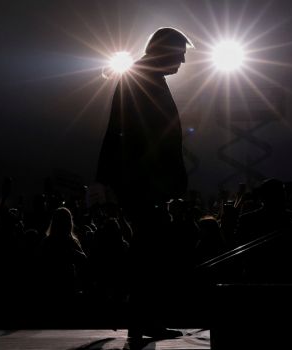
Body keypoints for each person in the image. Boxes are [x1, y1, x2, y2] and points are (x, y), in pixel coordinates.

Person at [96, 27, 193, 343]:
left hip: (142, 180)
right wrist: (154, 180)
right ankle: (140, 320)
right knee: (149, 251)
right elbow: (139, 135)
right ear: (165, 50)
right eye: (179, 54)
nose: (181, 62)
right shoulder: (143, 79)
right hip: (142, 180)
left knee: (149, 249)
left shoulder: (143, 77)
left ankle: (143, 320)